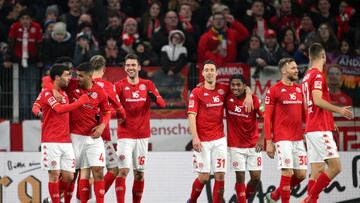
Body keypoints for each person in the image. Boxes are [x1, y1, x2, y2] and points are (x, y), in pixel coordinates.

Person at [43, 62, 112, 203]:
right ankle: (53, 199)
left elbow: (107, 111)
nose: (77, 78)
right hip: (74, 137)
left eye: (81, 76)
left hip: (93, 138)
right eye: (76, 75)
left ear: (90, 76)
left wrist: (102, 126)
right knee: (70, 176)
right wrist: (53, 89)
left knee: (98, 171)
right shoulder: (72, 85)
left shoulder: (100, 92)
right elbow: (47, 79)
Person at [187, 60, 253, 203]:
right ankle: (191, 200)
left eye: (212, 70)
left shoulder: (223, 88)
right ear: (203, 73)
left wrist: (248, 94)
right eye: (207, 70)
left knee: (220, 176)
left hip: (219, 140)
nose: (209, 72)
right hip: (202, 140)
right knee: (204, 177)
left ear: (216, 73)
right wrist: (195, 138)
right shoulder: (197, 92)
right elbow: (191, 115)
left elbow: (241, 88)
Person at [301, 43, 354, 203]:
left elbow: (307, 105)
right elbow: (317, 101)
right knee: (335, 167)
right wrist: (339, 111)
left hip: (312, 127)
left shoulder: (306, 77)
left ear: (310, 57)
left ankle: (310, 201)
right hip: (319, 127)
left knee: (317, 169)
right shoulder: (317, 76)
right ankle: (310, 199)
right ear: (323, 56)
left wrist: (329, 120)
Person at [32, 64, 90, 203]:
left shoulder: (64, 92)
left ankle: (51, 200)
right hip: (51, 140)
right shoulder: (47, 92)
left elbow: (47, 78)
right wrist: (80, 102)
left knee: (69, 176)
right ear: (57, 77)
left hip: (66, 140)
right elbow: (59, 109)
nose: (70, 77)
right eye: (67, 74)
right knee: (54, 175)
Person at [114, 54, 166, 203]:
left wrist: (154, 98)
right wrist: (119, 111)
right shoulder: (119, 86)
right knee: (123, 171)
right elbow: (110, 107)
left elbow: (163, 104)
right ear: (125, 68)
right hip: (125, 135)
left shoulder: (148, 84)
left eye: (133, 65)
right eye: (128, 65)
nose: (130, 68)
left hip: (142, 136)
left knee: (139, 174)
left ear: (139, 67)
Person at [264, 58, 307, 203]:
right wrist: (269, 141)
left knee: (301, 175)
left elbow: (306, 115)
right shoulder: (274, 90)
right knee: (287, 172)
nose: (297, 71)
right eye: (293, 68)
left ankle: (274, 195)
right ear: (284, 70)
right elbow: (267, 117)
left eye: (296, 68)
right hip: (283, 138)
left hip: (298, 139)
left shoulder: (299, 89)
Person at [88, 55, 126, 201]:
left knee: (83, 173)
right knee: (114, 169)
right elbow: (119, 108)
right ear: (104, 69)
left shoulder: (83, 84)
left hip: (82, 134)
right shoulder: (107, 86)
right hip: (102, 135)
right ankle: (97, 199)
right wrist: (122, 116)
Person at [226, 74, 263, 203]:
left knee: (256, 178)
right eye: (233, 85)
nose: (235, 87)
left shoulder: (255, 100)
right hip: (235, 146)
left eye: (238, 85)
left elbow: (267, 117)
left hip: (253, 144)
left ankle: (243, 198)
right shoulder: (227, 98)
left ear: (244, 86)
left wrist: (262, 139)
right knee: (240, 176)